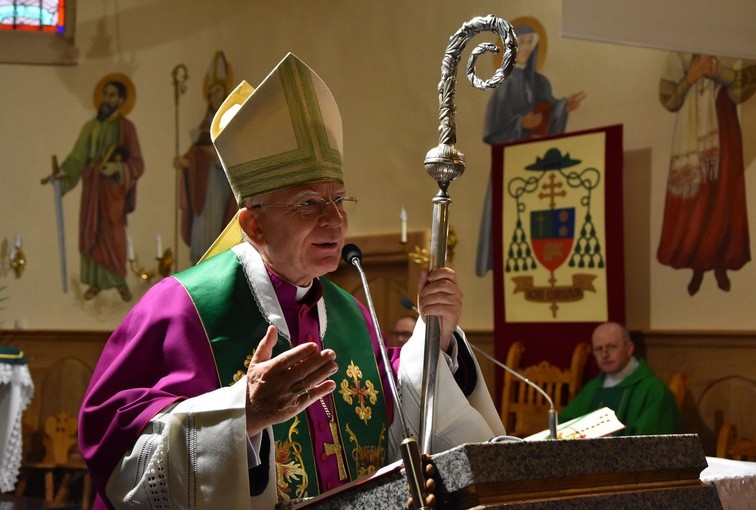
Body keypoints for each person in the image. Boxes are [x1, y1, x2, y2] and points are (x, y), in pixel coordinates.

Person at [79, 53, 503, 509]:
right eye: (307, 204)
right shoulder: (182, 308)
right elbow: (114, 439)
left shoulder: (348, 312)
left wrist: (434, 338)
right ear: (254, 225)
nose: (336, 220)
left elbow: (396, 401)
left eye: (339, 199)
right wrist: (242, 414)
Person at [476, 16, 586, 277]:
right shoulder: (504, 84)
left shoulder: (540, 83)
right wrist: (520, 123)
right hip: (511, 165)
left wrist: (562, 107)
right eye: (520, 43)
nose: (525, 48)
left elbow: (549, 112)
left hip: (537, 165)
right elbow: (493, 130)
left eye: (528, 43)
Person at [656, 52, 756, 296]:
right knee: (695, 202)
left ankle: (722, 263)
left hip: (724, 132)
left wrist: (720, 72)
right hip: (691, 138)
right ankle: (697, 264)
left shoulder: (732, 48)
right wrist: (690, 78)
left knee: (724, 198)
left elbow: (741, 90)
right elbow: (670, 101)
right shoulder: (678, 56)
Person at [58, 73, 144, 302]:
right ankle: (95, 282)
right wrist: (63, 173)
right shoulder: (90, 127)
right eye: (105, 94)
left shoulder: (127, 128)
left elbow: (137, 163)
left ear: (121, 99)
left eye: (113, 95)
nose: (107, 99)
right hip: (92, 190)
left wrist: (117, 168)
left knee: (113, 235)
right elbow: (77, 158)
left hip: (113, 192)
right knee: (90, 232)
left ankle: (119, 280)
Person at [558, 322, 682, 436]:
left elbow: (654, 439)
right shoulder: (593, 388)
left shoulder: (654, 390)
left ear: (629, 348)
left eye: (611, 347)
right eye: (599, 349)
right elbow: (564, 425)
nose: (605, 355)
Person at [173, 51, 238, 263]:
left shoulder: (231, 122)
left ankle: (215, 262)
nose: (213, 97)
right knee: (202, 227)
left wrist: (215, 157)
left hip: (221, 185)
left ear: (225, 92)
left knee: (217, 225)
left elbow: (236, 158)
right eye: (211, 94)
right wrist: (185, 162)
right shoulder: (205, 123)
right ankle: (200, 263)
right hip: (203, 185)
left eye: (217, 91)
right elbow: (195, 151)